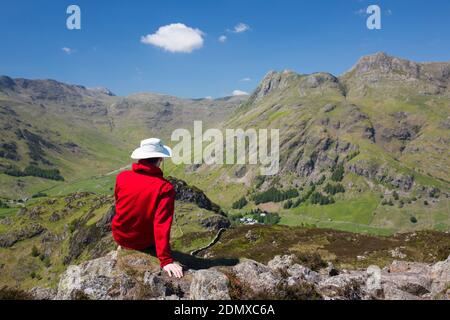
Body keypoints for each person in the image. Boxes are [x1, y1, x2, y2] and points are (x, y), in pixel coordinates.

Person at [112, 138, 183, 278]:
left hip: (120, 236)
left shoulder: (122, 177)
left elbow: (119, 204)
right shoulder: (164, 187)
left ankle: (123, 245)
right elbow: (161, 225)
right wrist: (166, 260)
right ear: (160, 158)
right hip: (142, 242)